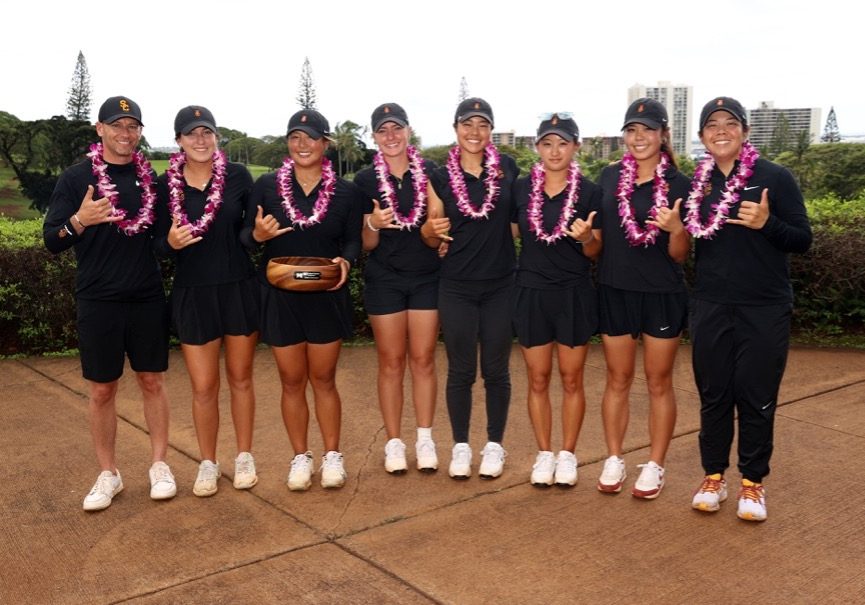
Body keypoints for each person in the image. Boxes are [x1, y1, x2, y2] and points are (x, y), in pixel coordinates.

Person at [43, 96, 175, 511]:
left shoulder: (149, 179)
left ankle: (159, 465)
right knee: (102, 389)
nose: (125, 133)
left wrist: (169, 244)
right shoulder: (76, 178)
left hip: (146, 296)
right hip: (98, 298)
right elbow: (52, 241)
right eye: (116, 125)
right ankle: (109, 474)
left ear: (139, 132)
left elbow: (159, 240)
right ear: (99, 130)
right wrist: (80, 220)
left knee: (152, 381)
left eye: (132, 126)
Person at [687, 96, 812, 521]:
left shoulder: (774, 177)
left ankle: (752, 484)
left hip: (764, 306)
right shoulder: (697, 184)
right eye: (712, 124)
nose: (721, 130)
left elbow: (802, 239)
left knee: (757, 396)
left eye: (730, 123)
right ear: (702, 136)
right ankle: (713, 477)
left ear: (744, 131)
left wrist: (767, 223)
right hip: (710, 303)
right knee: (714, 394)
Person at [242, 109, 363, 491]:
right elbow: (245, 237)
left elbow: (353, 240)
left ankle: (332, 456)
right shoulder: (265, 186)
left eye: (311, 137)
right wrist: (259, 236)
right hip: (280, 295)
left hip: (326, 293)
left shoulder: (347, 192)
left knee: (324, 379)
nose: (302, 144)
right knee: (291, 381)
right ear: (288, 143)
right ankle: (300, 457)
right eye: (295, 137)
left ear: (325, 143)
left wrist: (347, 259)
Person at [154, 106, 258, 497]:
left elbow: (249, 232)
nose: (200, 140)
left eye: (207, 133)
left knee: (241, 379)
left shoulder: (238, 178)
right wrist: (169, 243)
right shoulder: (165, 187)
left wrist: (259, 234)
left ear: (216, 137)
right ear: (179, 140)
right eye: (191, 133)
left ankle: (245, 456)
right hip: (193, 293)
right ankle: (208, 463)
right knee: (203, 387)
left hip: (238, 288)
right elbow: (156, 245)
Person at [594, 98, 691, 499]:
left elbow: (681, 255)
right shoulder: (607, 177)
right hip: (614, 289)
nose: (639, 137)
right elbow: (597, 241)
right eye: (632, 130)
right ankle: (614, 457)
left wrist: (676, 228)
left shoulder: (682, 185)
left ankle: (655, 464)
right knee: (617, 379)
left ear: (662, 135)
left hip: (662, 294)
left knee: (658, 382)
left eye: (648, 130)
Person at [420, 98, 519, 480]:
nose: (475, 132)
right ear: (456, 128)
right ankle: (461, 446)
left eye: (483, 125)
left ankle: (494, 444)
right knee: (460, 370)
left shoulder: (507, 168)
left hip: (500, 284)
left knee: (496, 370)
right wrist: (430, 235)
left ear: (491, 131)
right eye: (468, 124)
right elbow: (433, 234)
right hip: (457, 285)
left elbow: (516, 223)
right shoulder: (440, 175)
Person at [512, 113, 600, 487]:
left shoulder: (590, 192)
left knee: (571, 378)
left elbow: (596, 250)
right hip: (531, 292)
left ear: (575, 147)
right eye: (547, 143)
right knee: (537, 378)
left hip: (573, 292)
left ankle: (568, 454)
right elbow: (507, 232)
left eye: (563, 143)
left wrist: (585, 239)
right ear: (537, 148)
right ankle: (544, 452)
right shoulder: (519, 189)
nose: (554, 150)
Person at [354, 103, 440, 474]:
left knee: (423, 360)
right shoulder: (364, 180)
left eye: (397, 128)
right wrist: (372, 223)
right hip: (385, 278)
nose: (391, 137)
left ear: (408, 131)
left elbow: (439, 231)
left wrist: (434, 229)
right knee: (391, 363)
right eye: (382, 130)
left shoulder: (432, 172)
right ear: (373, 136)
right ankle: (393, 442)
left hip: (426, 277)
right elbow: (366, 244)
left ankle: (424, 438)